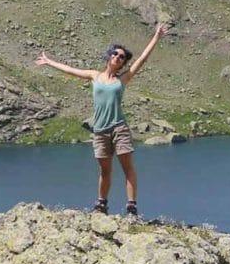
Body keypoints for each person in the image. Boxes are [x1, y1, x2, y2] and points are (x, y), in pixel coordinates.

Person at [36, 23, 168, 215]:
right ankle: (101, 205)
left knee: (127, 167)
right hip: (100, 130)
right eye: (115, 54)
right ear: (109, 56)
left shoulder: (122, 79)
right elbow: (70, 70)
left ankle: (131, 207)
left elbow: (142, 60)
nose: (118, 57)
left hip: (119, 128)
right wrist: (49, 62)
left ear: (123, 63)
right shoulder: (94, 76)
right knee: (104, 171)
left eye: (122, 57)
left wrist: (156, 37)